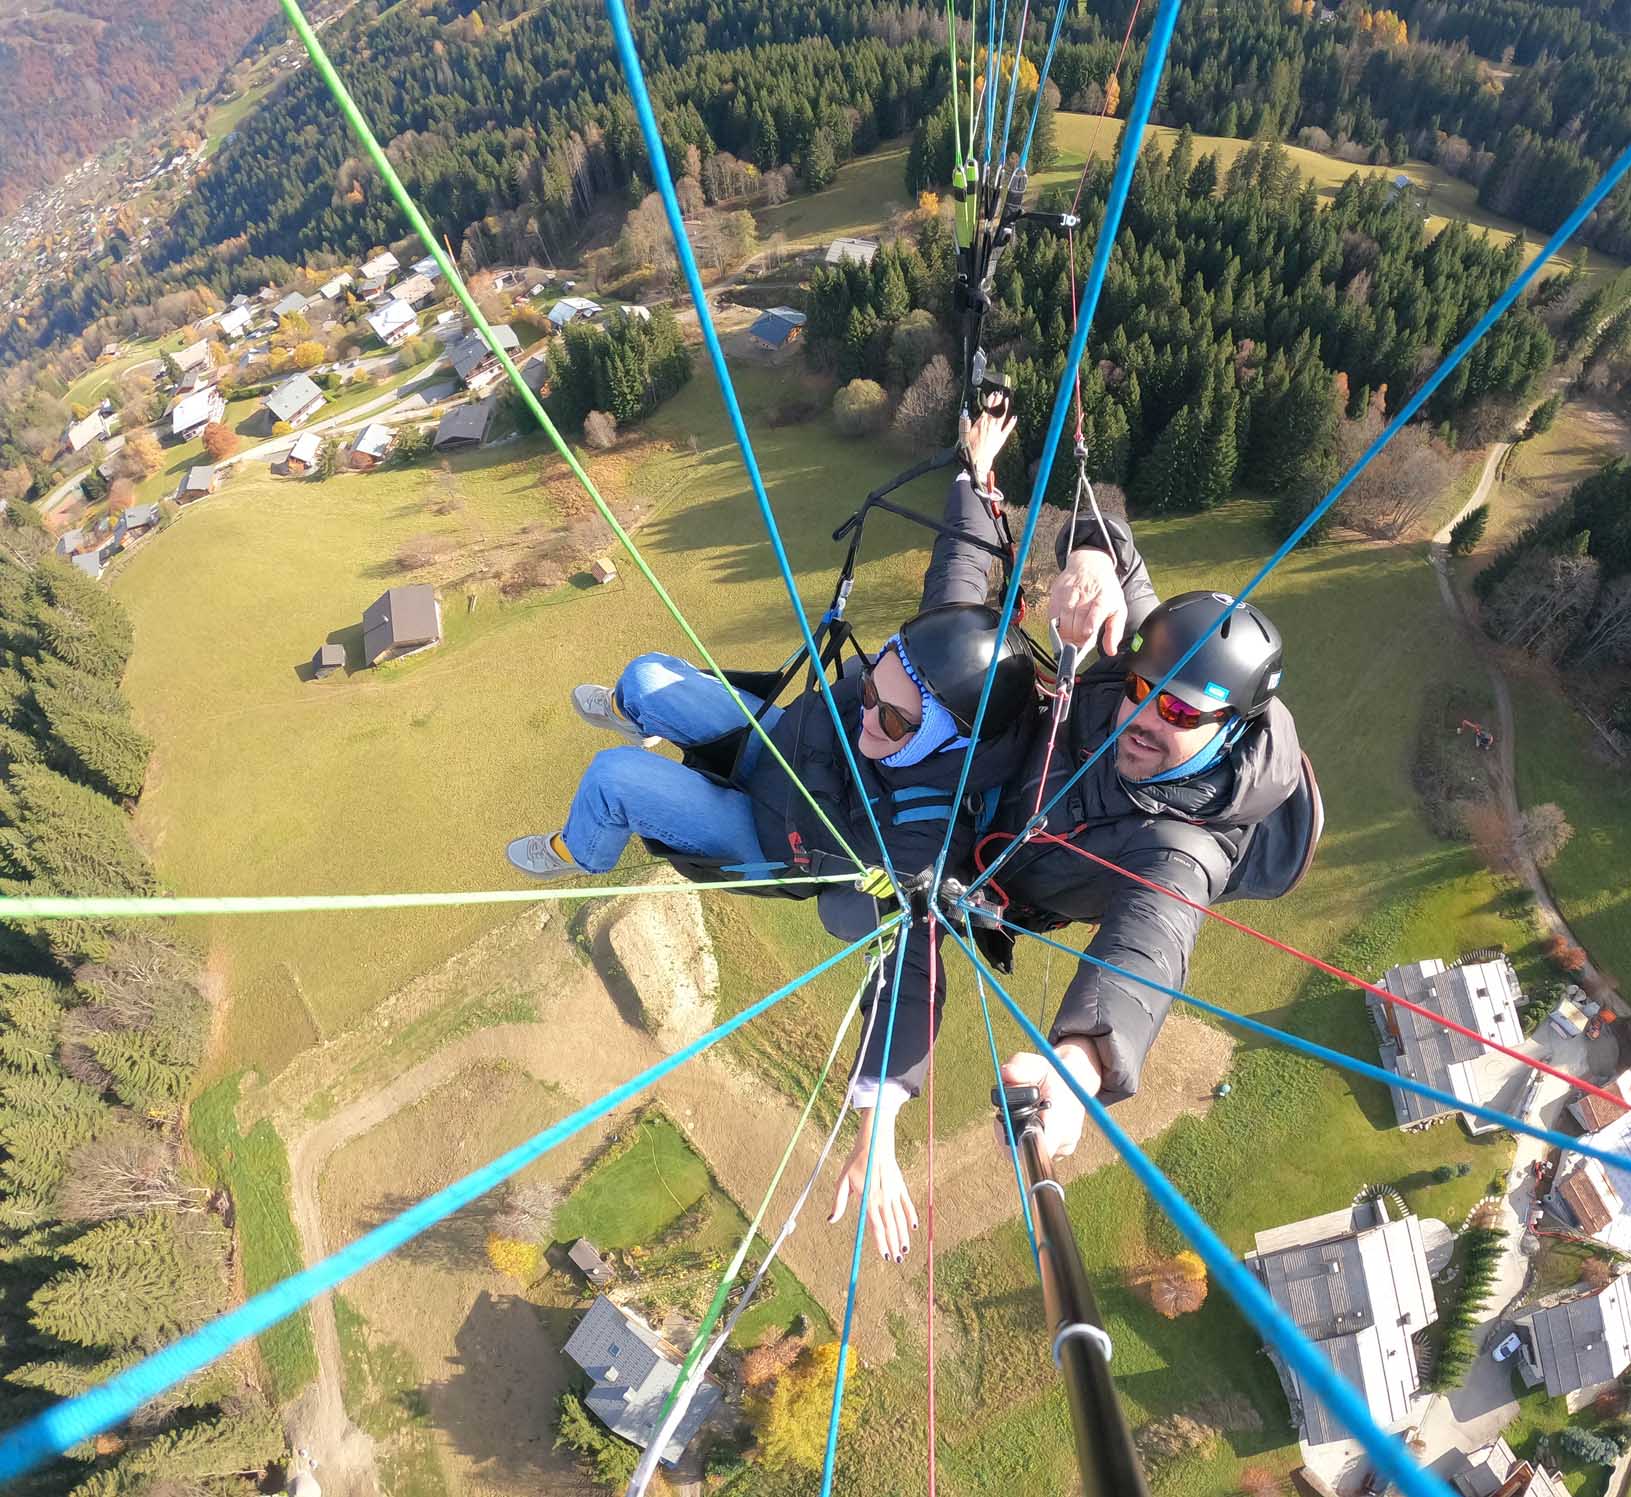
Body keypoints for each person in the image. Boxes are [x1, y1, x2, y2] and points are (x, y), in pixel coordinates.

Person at [506, 415, 1033, 1264]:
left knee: (614, 779)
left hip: (766, 830)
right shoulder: (936, 679)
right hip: (784, 744)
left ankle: (582, 852)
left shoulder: (927, 840)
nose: (871, 708)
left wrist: (879, 1120)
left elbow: (919, 975)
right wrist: (979, 477)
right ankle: (642, 707)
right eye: (877, 686)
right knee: (644, 675)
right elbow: (960, 580)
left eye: (892, 719)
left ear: (953, 740)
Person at [920, 480, 1323, 1169]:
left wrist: (1079, 1065)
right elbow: (1111, 537)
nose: (1140, 717)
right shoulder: (1146, 651)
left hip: (997, 883)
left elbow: (1149, 945)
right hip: (982, 788)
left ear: (1233, 729)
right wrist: (1092, 558)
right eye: (1141, 690)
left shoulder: (1188, 848)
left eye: (1180, 715)